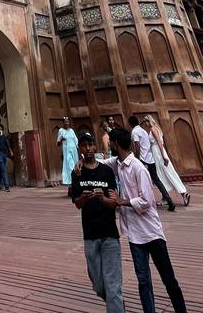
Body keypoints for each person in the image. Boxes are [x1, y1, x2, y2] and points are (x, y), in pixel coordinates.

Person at [107, 127, 187, 313]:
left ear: (116, 144)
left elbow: (147, 201)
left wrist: (122, 201)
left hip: (151, 233)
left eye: (111, 142)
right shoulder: (117, 163)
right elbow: (100, 162)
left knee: (168, 278)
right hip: (135, 235)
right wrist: (81, 162)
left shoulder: (138, 168)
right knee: (143, 281)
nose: (109, 145)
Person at [71, 132, 124, 313]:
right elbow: (77, 204)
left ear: (95, 147)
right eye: (84, 145)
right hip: (90, 234)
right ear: (80, 149)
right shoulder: (77, 172)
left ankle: (116, 306)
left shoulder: (106, 171)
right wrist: (85, 198)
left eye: (90, 145)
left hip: (109, 233)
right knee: (99, 286)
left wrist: (102, 199)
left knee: (113, 285)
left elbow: (114, 202)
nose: (88, 149)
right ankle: (115, 304)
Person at [128, 115, 175, 211]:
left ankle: (147, 203)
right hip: (150, 159)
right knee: (157, 180)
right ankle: (170, 201)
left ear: (130, 124)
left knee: (143, 182)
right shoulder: (143, 131)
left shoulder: (135, 132)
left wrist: (137, 158)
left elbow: (137, 146)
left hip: (143, 160)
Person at [146, 115, 190, 207]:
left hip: (158, 154)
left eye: (145, 122)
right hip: (159, 153)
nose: (145, 124)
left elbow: (159, 143)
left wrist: (163, 156)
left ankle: (182, 194)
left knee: (164, 174)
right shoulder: (157, 128)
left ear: (148, 121)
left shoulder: (153, 130)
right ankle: (172, 196)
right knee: (166, 174)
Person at [57, 116, 79, 196]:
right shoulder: (61, 131)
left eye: (67, 121)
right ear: (63, 123)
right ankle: (71, 187)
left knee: (75, 168)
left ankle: (72, 188)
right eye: (65, 122)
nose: (66, 123)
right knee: (70, 168)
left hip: (74, 153)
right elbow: (58, 143)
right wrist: (61, 140)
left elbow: (76, 141)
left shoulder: (72, 131)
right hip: (67, 154)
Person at [0, 123, 13, 192]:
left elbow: (7, 143)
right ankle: (7, 186)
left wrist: (10, 151)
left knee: (2, 169)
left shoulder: (4, 136)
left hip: (5, 153)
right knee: (4, 169)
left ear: (1, 128)